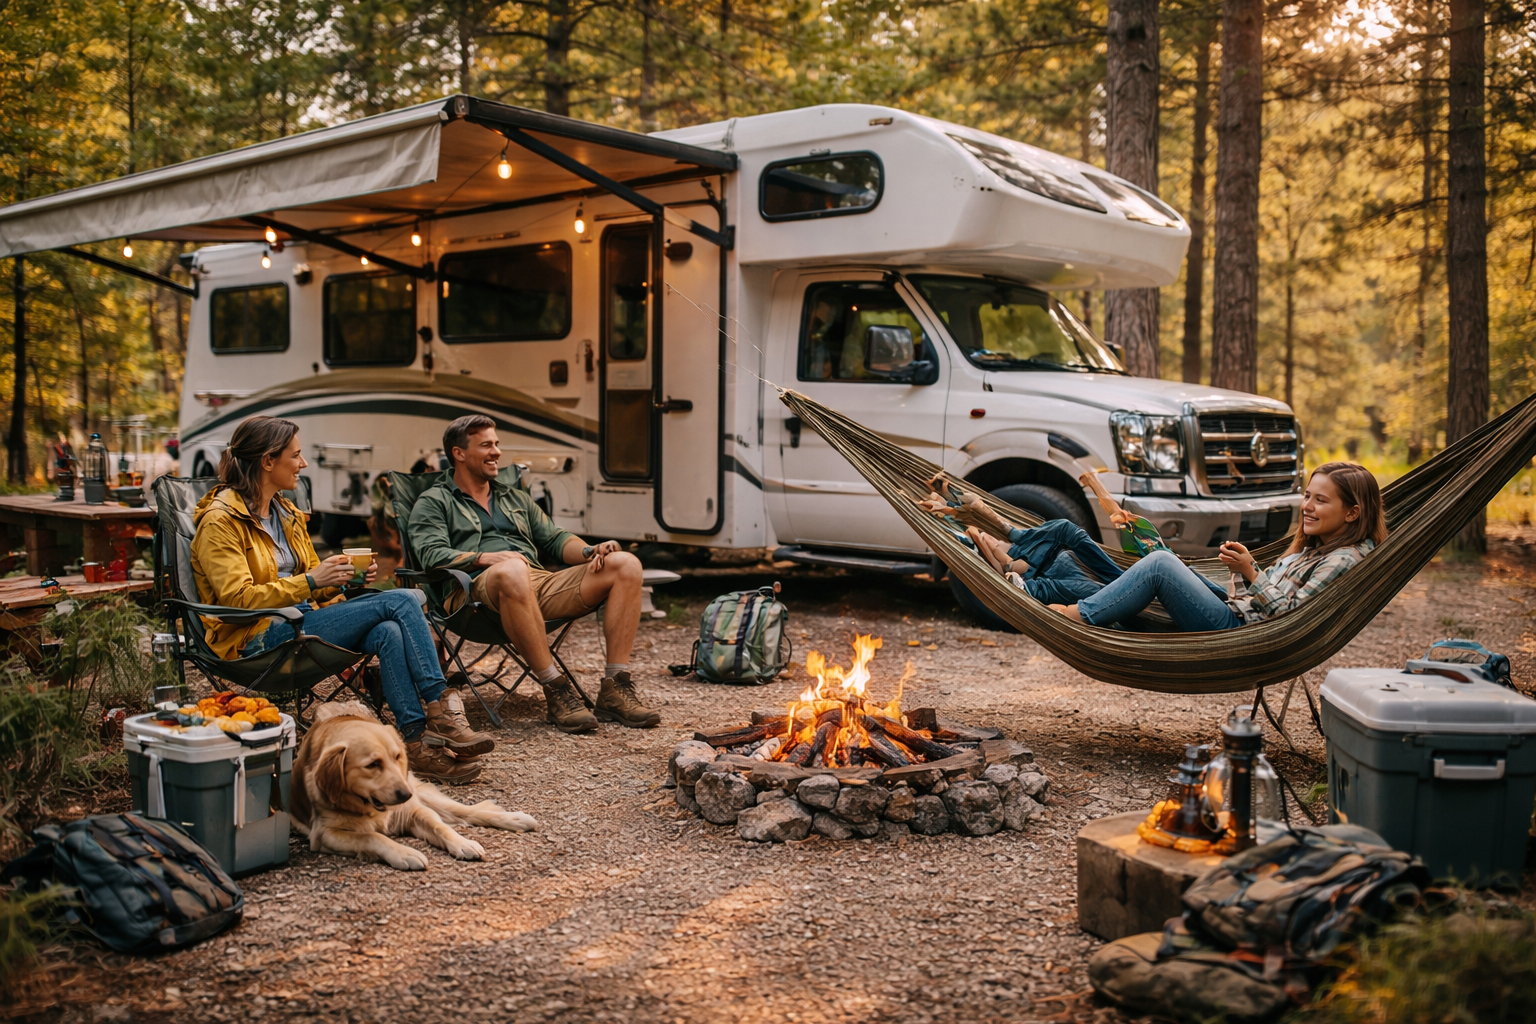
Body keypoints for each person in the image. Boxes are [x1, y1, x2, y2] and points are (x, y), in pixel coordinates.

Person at [191, 416, 494, 784]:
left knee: (388, 630)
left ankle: (415, 743)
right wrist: (311, 581)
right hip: (255, 638)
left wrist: (341, 579)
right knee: (402, 600)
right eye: (296, 455)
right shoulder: (220, 521)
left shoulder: (286, 514)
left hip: (301, 624)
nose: (303, 463)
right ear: (268, 461)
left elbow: (313, 585)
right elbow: (237, 600)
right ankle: (441, 711)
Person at [407, 414, 657, 733]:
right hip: (471, 595)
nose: (496, 452)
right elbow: (430, 555)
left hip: (534, 583)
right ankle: (556, 688)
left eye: (497, 444)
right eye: (486, 445)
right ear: (459, 453)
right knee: (512, 569)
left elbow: (554, 539)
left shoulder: (513, 497)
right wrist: (485, 558)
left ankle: (615, 689)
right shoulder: (434, 501)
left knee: (626, 564)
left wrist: (589, 551)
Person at [922, 462, 1386, 633]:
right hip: (1233, 610)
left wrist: (1250, 571)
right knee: (1074, 544)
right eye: (1307, 495)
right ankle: (1029, 577)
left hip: (1236, 630)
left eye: (1320, 500)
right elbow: (1261, 597)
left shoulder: (1345, 558)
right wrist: (1236, 571)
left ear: (1353, 512)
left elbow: (1289, 614)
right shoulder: (1312, 548)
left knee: (1159, 563)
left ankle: (1069, 611)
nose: (1307, 506)